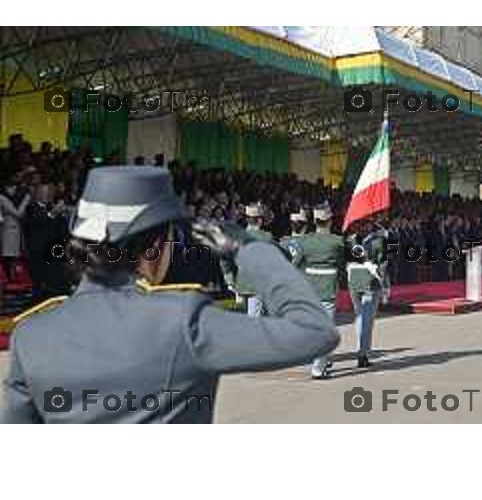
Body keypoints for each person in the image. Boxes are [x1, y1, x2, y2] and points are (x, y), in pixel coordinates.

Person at [0, 166, 339, 424]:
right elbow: (315, 331)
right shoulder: (183, 322)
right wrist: (249, 250)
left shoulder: (32, 335)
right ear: (156, 248)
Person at [296, 203, 344, 379]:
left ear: (315, 221)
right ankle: (318, 367)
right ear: (329, 220)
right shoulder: (336, 241)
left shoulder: (305, 240)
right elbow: (342, 264)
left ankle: (321, 359)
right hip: (328, 288)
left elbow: (296, 264)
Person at [346, 221, 386, 368]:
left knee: (359, 317)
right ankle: (362, 353)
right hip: (371, 281)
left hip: (354, 281)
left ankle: (361, 349)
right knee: (367, 320)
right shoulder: (378, 241)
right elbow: (383, 263)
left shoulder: (350, 240)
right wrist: (385, 285)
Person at [234, 203, 273, 316]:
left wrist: (230, 280)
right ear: (260, 220)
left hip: (242, 282)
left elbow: (225, 259)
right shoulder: (266, 237)